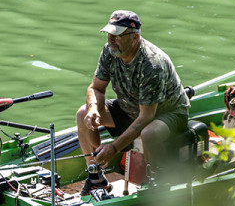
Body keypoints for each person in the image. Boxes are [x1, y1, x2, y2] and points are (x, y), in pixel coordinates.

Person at [76, 10, 190, 195]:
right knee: (83, 113)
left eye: (117, 36)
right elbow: (95, 88)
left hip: (168, 114)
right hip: (130, 108)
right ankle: (95, 176)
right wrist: (94, 109)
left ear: (135, 37)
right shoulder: (109, 51)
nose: (110, 40)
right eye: (109, 35)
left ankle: (158, 180)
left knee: (149, 133)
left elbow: (146, 117)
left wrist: (113, 148)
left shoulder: (152, 64)